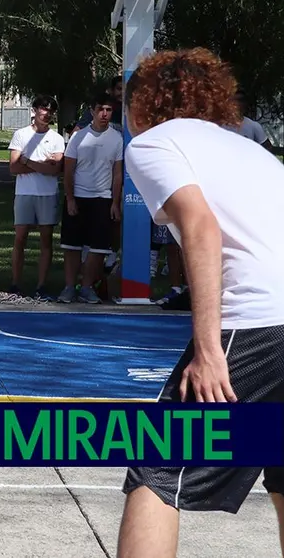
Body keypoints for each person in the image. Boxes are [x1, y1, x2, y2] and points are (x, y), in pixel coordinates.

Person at [115, 48, 284, 557]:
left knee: (157, 470)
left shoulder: (152, 144)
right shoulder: (251, 151)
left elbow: (201, 227)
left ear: (141, 105)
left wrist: (209, 350)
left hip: (255, 323)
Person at [58, 93, 123, 304]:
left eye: (109, 110)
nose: (105, 114)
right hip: (78, 197)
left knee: (98, 248)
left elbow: (117, 172)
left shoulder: (116, 138)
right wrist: (70, 199)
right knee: (72, 246)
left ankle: (86, 288)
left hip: (102, 199)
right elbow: (68, 170)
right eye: (101, 110)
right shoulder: (78, 137)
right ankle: (69, 288)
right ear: (92, 111)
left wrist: (114, 202)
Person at [7, 96, 66, 299]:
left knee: (46, 241)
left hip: (48, 194)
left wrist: (28, 161)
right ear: (34, 110)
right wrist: (41, 164)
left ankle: (41, 286)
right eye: (43, 109)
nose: (46, 114)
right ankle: (15, 283)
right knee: (20, 238)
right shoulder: (21, 135)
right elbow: (14, 167)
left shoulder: (57, 138)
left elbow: (55, 170)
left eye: (50, 111)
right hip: (24, 193)